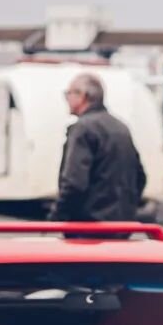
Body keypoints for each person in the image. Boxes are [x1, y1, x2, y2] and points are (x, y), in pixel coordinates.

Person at [53, 72, 147, 221]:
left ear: (82, 95)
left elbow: (74, 183)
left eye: (68, 93)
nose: (66, 99)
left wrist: (57, 214)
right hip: (122, 225)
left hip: (88, 227)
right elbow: (139, 176)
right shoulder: (121, 127)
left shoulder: (82, 128)